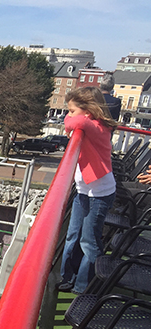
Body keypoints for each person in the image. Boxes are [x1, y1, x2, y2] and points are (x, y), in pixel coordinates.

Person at [57, 87, 119, 294]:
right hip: (85, 191)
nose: (68, 114)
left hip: (99, 194)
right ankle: (69, 277)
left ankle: (85, 285)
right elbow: (74, 121)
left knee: (89, 240)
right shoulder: (92, 124)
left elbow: (74, 123)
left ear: (88, 111)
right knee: (73, 235)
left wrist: (71, 119)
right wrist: (73, 116)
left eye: (72, 110)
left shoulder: (96, 127)